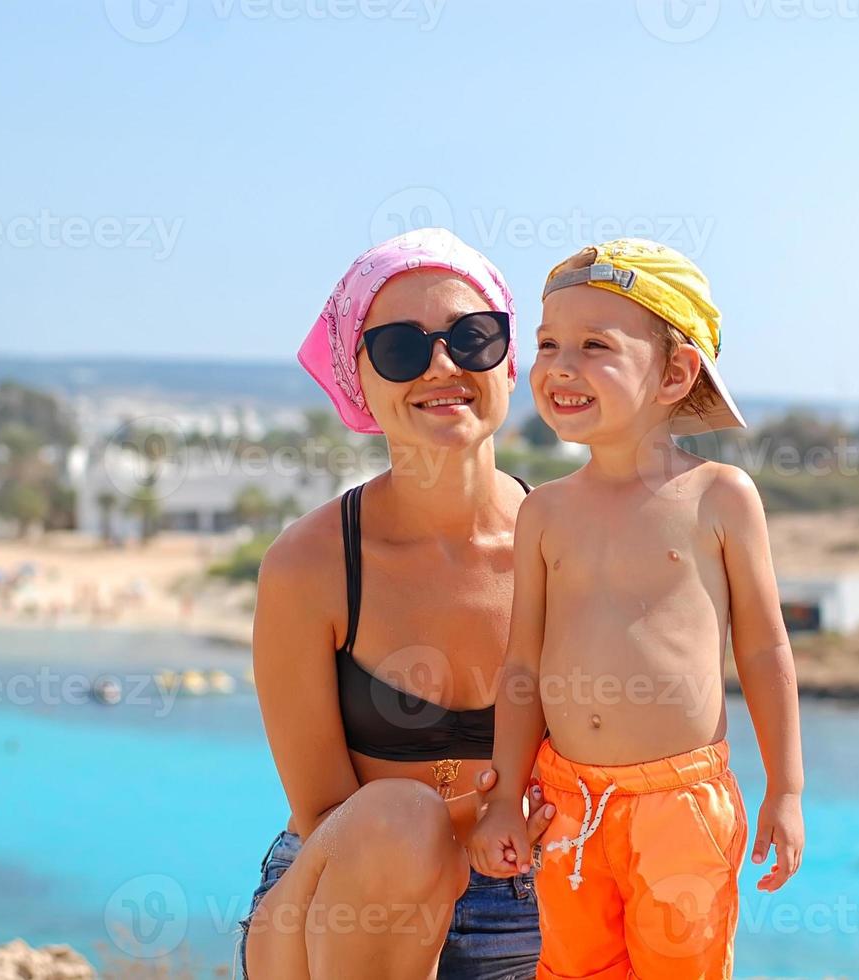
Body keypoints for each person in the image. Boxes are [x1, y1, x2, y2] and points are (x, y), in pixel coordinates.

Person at [468, 239, 806, 979]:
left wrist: (786, 787)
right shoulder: (546, 513)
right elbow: (522, 663)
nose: (562, 365)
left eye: (595, 346)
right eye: (549, 343)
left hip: (680, 807)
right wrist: (502, 797)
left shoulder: (719, 496)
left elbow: (763, 650)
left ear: (676, 373)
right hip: (566, 803)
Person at [239, 228, 553, 979]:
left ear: (509, 360)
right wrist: (473, 820)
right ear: (360, 382)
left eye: (473, 337)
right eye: (401, 350)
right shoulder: (311, 565)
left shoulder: (570, 546)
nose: (442, 364)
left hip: (536, 901)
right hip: (348, 911)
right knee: (397, 818)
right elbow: (324, 813)